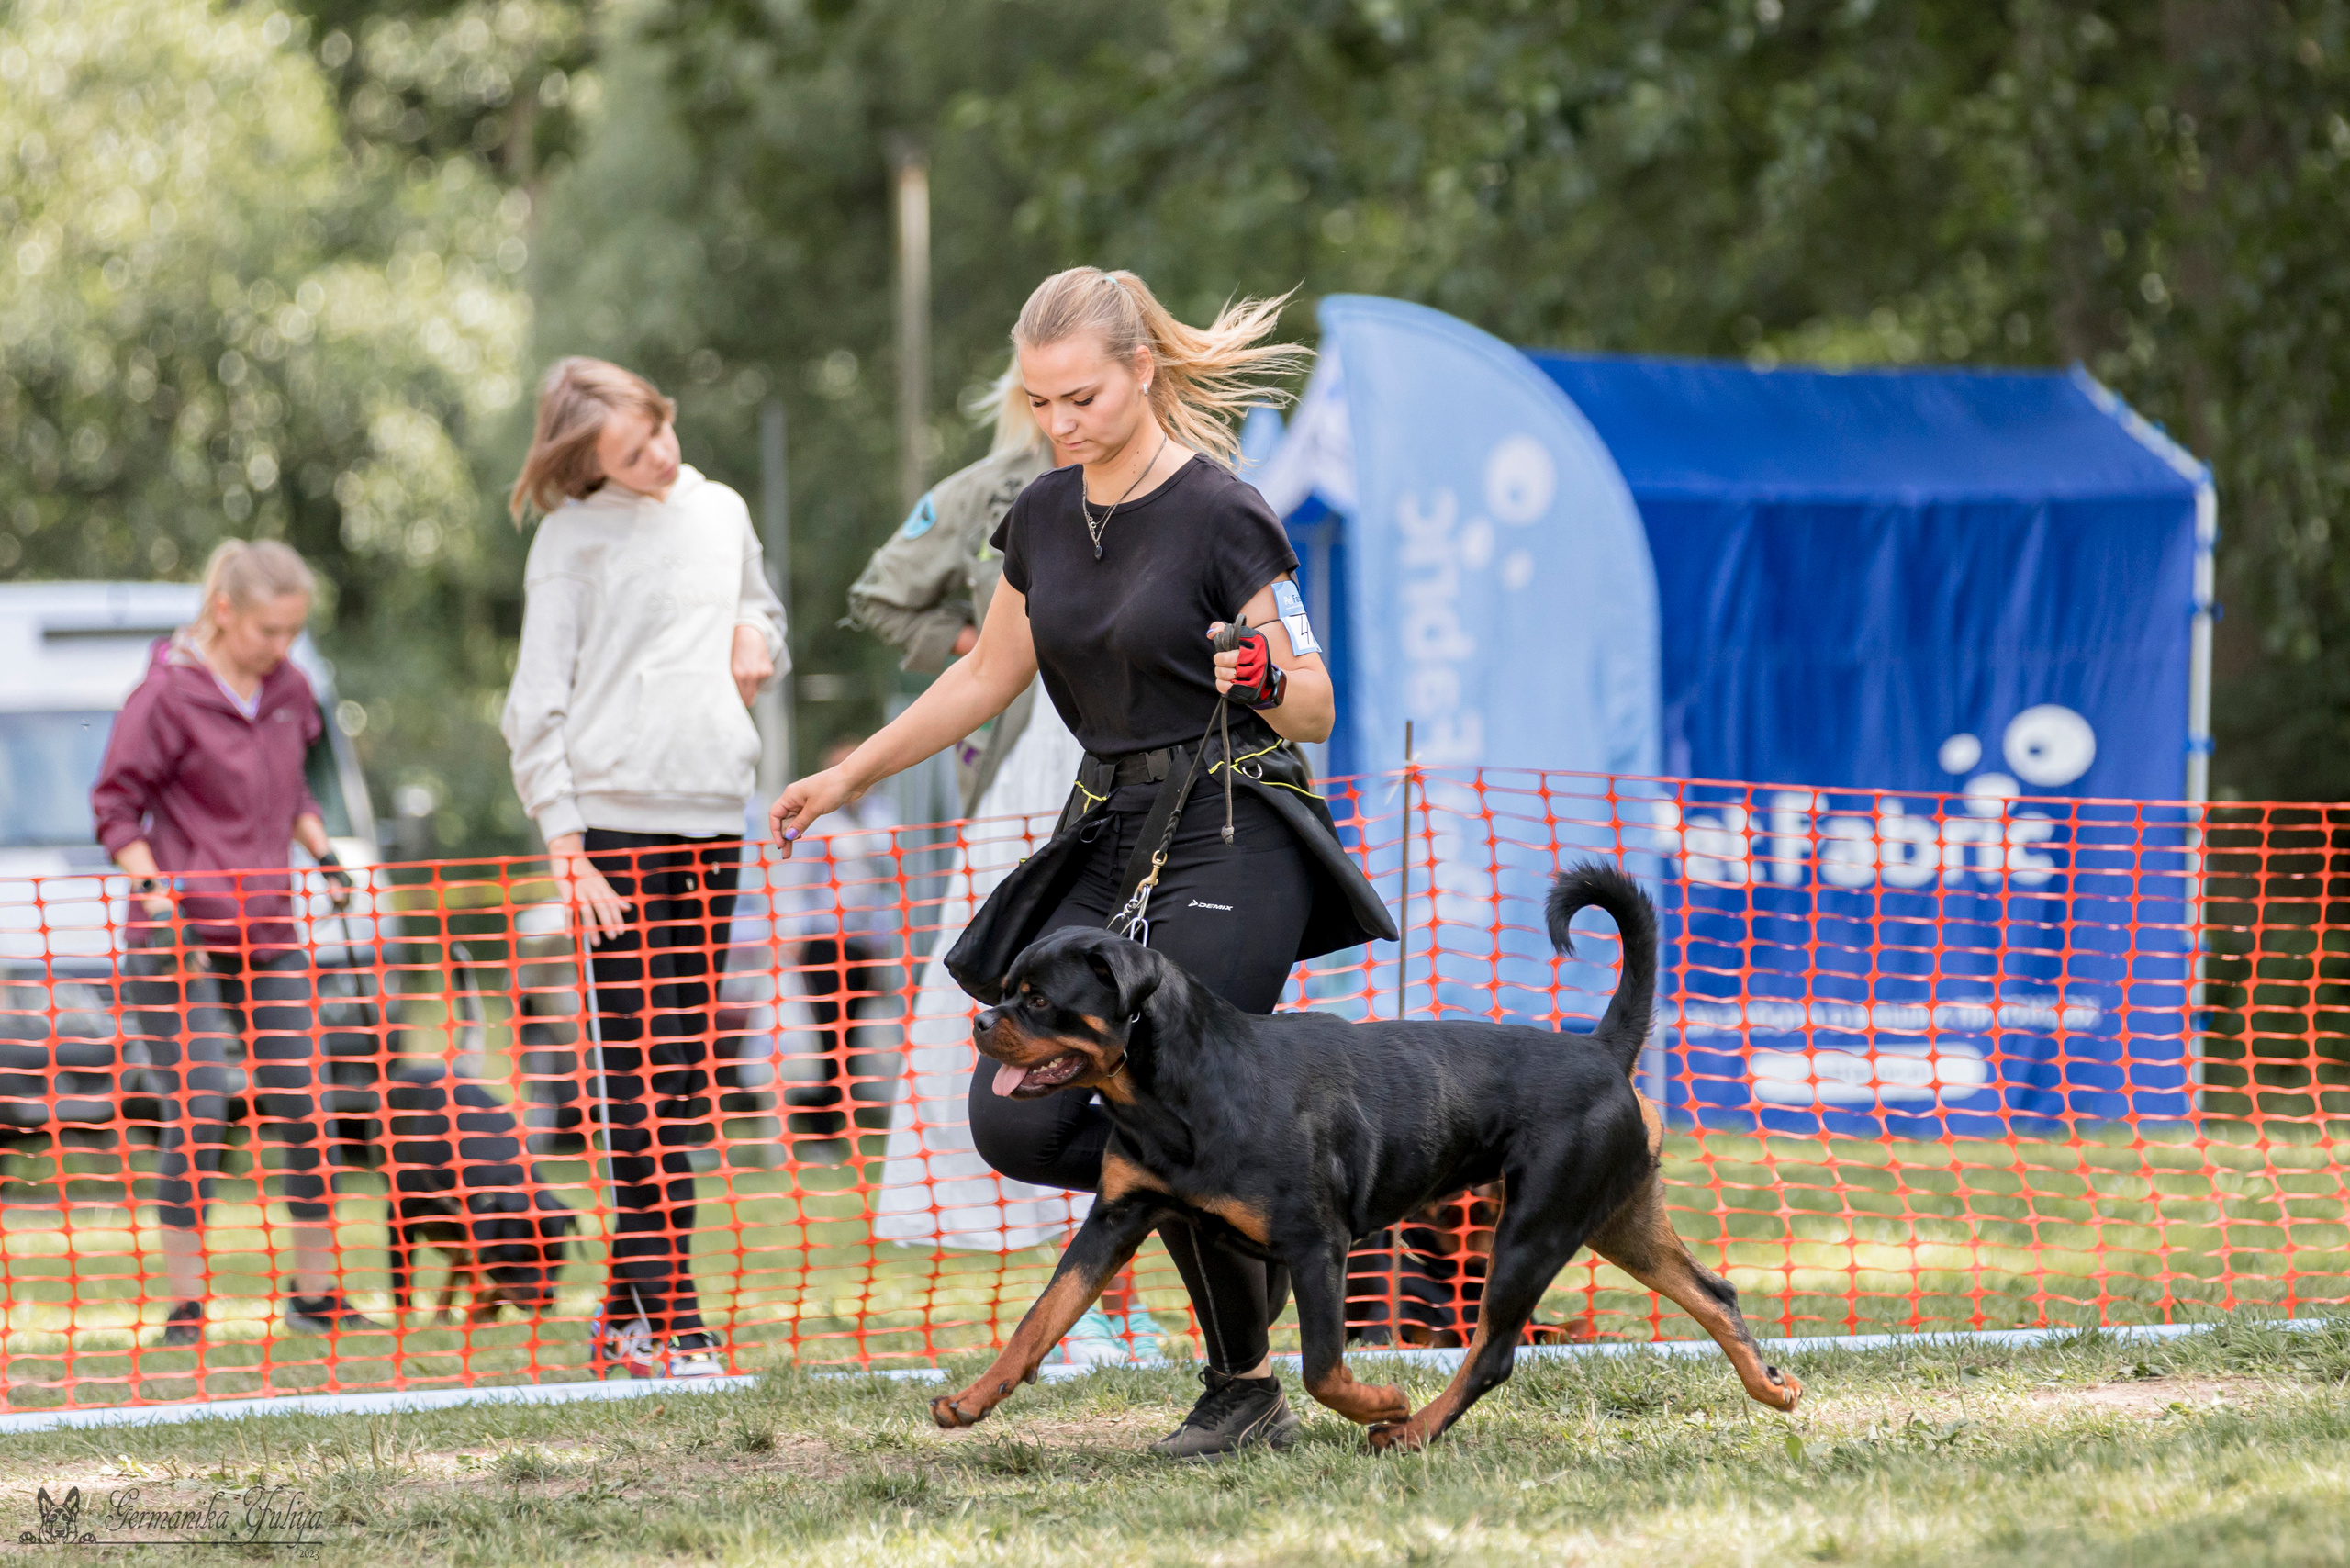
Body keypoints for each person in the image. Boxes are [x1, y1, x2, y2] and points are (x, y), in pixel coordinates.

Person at [771, 266, 1395, 1459]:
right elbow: (981, 677)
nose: (1059, 424)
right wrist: (844, 776)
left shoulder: (1225, 513)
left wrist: (1259, 677)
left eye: (1082, 398)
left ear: (1142, 370)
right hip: (1110, 829)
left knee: (1169, 1098)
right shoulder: (1043, 516)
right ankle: (1276, 1209)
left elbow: (1311, 700)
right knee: (1013, 1114)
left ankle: (1242, 1385)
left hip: (1236, 822)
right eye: (1041, 401)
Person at [500, 356, 787, 1380]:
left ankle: (623, 1324)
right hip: (611, 836)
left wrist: (757, 633)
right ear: (589, 465)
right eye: (633, 451)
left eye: (659, 430)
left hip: (715, 817)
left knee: (681, 1075)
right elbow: (534, 699)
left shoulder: (721, 509)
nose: (660, 454)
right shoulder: (570, 542)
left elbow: (762, 609)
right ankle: (678, 1324)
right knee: (640, 1077)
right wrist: (565, 844)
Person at [93, 539, 373, 1346]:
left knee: (308, 1102)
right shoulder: (164, 696)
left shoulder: (288, 689)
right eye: (267, 631)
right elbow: (115, 810)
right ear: (225, 612)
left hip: (270, 927)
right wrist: (155, 890)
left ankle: (315, 1296)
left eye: (292, 632)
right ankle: (186, 1307)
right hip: (178, 934)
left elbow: (293, 794)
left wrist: (325, 858)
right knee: (200, 1109)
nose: (282, 649)